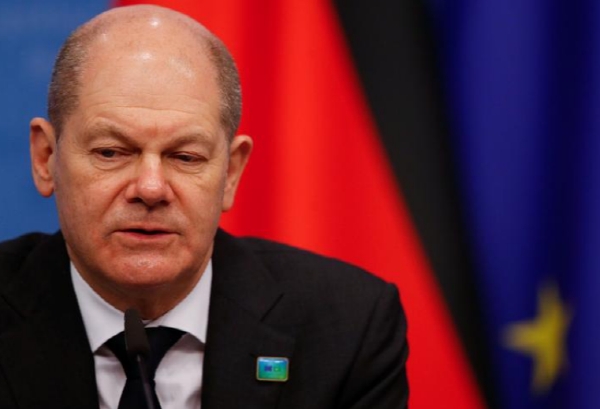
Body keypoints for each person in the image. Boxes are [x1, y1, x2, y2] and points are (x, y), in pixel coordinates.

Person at [0, 5, 408, 409]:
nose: (151, 188)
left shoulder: (348, 327)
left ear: (230, 173)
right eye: (111, 152)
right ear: (46, 158)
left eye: (186, 157)